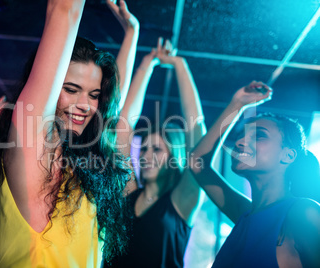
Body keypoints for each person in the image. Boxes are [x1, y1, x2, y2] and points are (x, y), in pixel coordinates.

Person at [0, 0, 136, 267]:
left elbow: (113, 103)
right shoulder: (34, 152)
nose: (85, 105)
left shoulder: (79, 172)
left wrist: (132, 33)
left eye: (93, 95)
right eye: (70, 89)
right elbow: (63, 11)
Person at [190, 81, 320, 267]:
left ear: (288, 155)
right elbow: (197, 163)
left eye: (259, 135)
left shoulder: (303, 213)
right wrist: (237, 104)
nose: (240, 142)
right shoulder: (245, 214)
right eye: (241, 136)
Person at [105, 38, 206, 267]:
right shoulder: (129, 193)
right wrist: (146, 65)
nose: (145, 155)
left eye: (157, 149)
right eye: (145, 148)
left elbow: (196, 133)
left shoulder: (182, 201)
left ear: (174, 158)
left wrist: (180, 65)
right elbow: (122, 127)